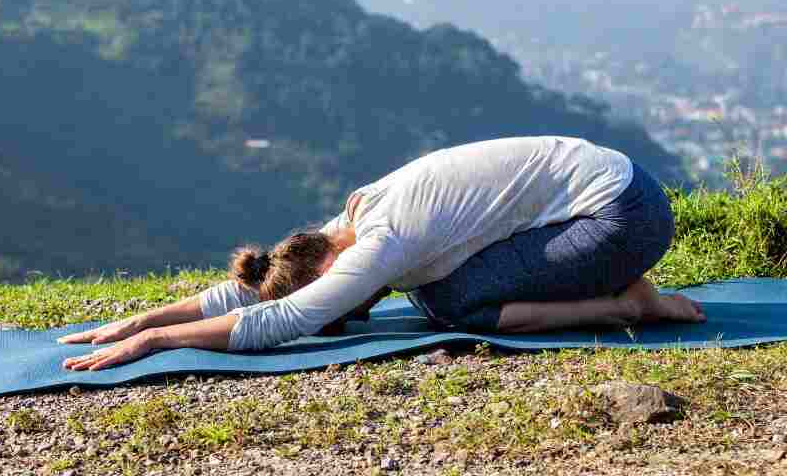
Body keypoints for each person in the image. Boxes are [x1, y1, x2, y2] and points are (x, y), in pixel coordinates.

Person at [60, 136, 705, 371]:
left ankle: (630, 302)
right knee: (436, 289)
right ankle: (623, 292)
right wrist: (146, 318)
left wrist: (158, 344)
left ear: (332, 271)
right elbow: (263, 294)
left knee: (456, 306)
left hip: (623, 217)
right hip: (605, 182)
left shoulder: (378, 244)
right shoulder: (353, 214)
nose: (345, 311)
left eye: (338, 303)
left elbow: (279, 321)